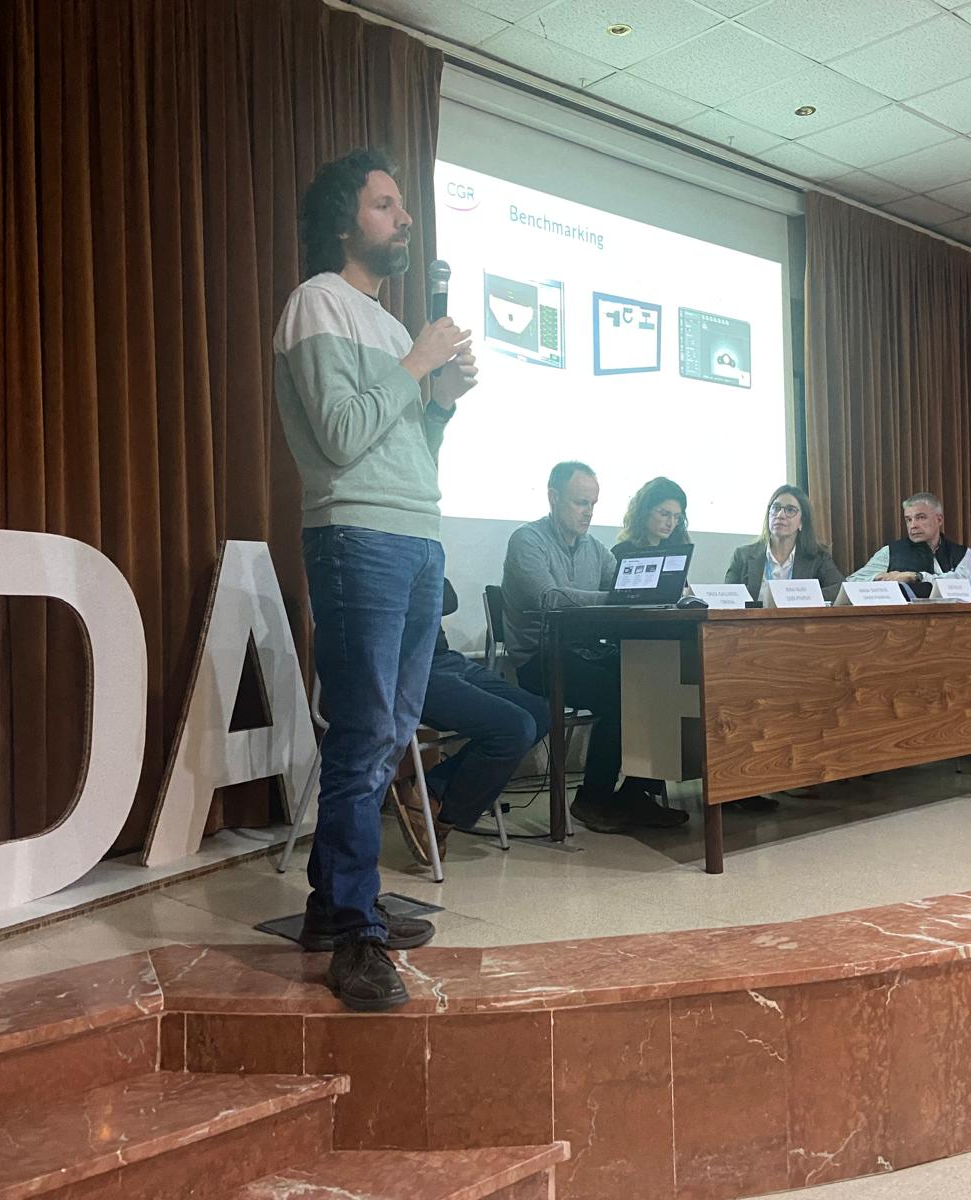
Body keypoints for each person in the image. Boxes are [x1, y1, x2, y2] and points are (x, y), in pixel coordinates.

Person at [273, 148, 477, 1012]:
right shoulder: (317, 303)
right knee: (362, 736)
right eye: (385, 205)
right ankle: (355, 933)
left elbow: (409, 451)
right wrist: (419, 366)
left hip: (416, 535)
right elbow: (342, 433)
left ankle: (336, 905)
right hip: (358, 535)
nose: (404, 218)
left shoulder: (394, 330)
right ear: (344, 221)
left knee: (390, 733)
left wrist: (441, 401)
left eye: (402, 205)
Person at [501, 461, 688, 834]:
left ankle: (636, 793)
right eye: (580, 503)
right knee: (620, 694)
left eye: (593, 504)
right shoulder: (527, 540)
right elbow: (549, 597)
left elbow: (623, 590)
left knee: (661, 680)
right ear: (554, 498)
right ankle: (592, 799)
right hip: (539, 658)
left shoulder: (596, 549)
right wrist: (616, 597)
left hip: (585, 651)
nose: (588, 512)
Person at [390, 580, 551, 867]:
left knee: (540, 713)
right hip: (406, 669)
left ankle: (432, 790)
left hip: (445, 659)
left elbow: (448, 598)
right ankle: (443, 814)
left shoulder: (417, 555)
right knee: (515, 729)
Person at [846, 491, 971, 596]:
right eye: (908, 520)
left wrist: (917, 577)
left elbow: (964, 586)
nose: (913, 525)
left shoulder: (963, 554)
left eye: (921, 518)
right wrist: (878, 577)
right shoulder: (891, 552)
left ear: (939, 520)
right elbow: (851, 582)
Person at [725, 484, 844, 599]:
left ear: (802, 522)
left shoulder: (818, 558)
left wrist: (803, 597)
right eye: (776, 508)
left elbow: (839, 589)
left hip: (797, 614)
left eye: (790, 510)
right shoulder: (742, 555)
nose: (780, 515)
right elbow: (729, 597)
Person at [611, 477, 690, 560]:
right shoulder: (621, 552)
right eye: (664, 514)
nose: (670, 523)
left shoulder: (677, 551)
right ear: (644, 511)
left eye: (677, 517)